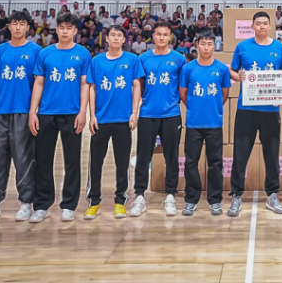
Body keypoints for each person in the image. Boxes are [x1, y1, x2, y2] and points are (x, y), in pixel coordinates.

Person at [0, 10, 42, 223]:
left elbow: (39, 82)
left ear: (28, 27)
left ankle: (25, 203)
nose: (18, 27)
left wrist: (34, 112)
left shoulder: (35, 51)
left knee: (24, 158)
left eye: (22, 24)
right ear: (9, 26)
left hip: (24, 112)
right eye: (14, 23)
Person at [227, 11, 282, 217]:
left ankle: (272, 195)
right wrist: (239, 76)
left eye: (265, 23)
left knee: (272, 154)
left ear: (270, 26)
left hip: (270, 110)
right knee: (240, 153)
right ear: (252, 26)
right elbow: (232, 71)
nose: (262, 26)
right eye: (258, 23)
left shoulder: (279, 48)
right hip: (246, 109)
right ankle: (237, 194)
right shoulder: (243, 47)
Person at [28, 13, 90, 223]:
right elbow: (38, 83)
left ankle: (69, 205)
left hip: (72, 113)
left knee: (72, 161)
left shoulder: (82, 54)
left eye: (69, 27)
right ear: (57, 30)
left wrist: (83, 112)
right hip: (46, 113)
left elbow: (84, 85)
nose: (64, 31)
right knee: (43, 160)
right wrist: (33, 112)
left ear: (75, 31)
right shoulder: (45, 54)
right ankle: (42, 205)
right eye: (61, 27)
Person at [85, 25, 142, 220]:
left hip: (123, 120)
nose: (116, 38)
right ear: (107, 39)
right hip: (101, 120)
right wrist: (92, 115)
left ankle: (120, 201)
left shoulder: (132, 60)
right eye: (113, 35)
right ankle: (94, 201)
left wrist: (134, 113)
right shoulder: (97, 61)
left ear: (124, 40)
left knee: (122, 163)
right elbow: (92, 88)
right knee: (95, 162)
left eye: (119, 35)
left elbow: (136, 86)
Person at [130, 22, 186, 217]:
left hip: (171, 114)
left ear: (170, 37)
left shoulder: (179, 59)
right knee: (143, 156)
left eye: (165, 34)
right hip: (148, 113)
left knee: (171, 156)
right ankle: (139, 196)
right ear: (152, 37)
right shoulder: (143, 59)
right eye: (158, 34)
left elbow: (183, 86)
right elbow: (138, 86)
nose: (162, 37)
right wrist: (135, 111)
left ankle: (170, 195)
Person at [179, 32, 231, 216]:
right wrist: (194, 107)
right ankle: (191, 199)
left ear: (214, 46)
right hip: (193, 123)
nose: (206, 47)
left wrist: (213, 108)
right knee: (191, 162)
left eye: (210, 43)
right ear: (197, 46)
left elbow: (224, 94)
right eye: (203, 43)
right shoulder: (188, 68)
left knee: (215, 163)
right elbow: (183, 93)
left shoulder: (221, 69)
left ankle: (215, 200)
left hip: (214, 123)